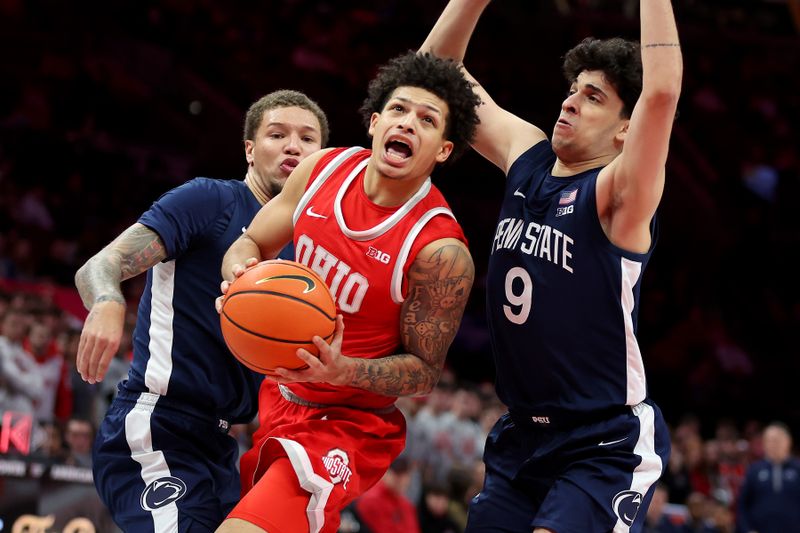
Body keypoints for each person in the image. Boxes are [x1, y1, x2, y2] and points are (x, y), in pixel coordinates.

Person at [421, 0, 682, 531]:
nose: (569, 103)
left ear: (625, 132)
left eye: (593, 98)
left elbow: (661, 93)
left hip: (601, 440)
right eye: (572, 90)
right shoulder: (529, 156)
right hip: (523, 433)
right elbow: (433, 75)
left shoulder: (617, 198)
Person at [216, 50, 480, 533]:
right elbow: (251, 241)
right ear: (376, 122)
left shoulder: (439, 251)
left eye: (427, 119)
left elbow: (423, 374)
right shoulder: (321, 169)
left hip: (350, 423)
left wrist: (344, 369)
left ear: (443, 149)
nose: (407, 123)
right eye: (398, 110)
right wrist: (238, 278)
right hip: (279, 397)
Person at [73, 89, 329, 532]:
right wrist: (108, 299)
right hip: (157, 425)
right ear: (249, 149)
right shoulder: (210, 200)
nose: (293, 145)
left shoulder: (312, 247)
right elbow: (100, 266)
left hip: (223, 443)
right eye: (277, 134)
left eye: (308, 139)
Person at [737, 422, 800, 533]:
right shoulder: (754, 470)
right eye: (769, 440)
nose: (774, 444)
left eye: (777, 440)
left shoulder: (797, 469)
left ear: (788, 441)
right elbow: (742, 504)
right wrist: (747, 529)